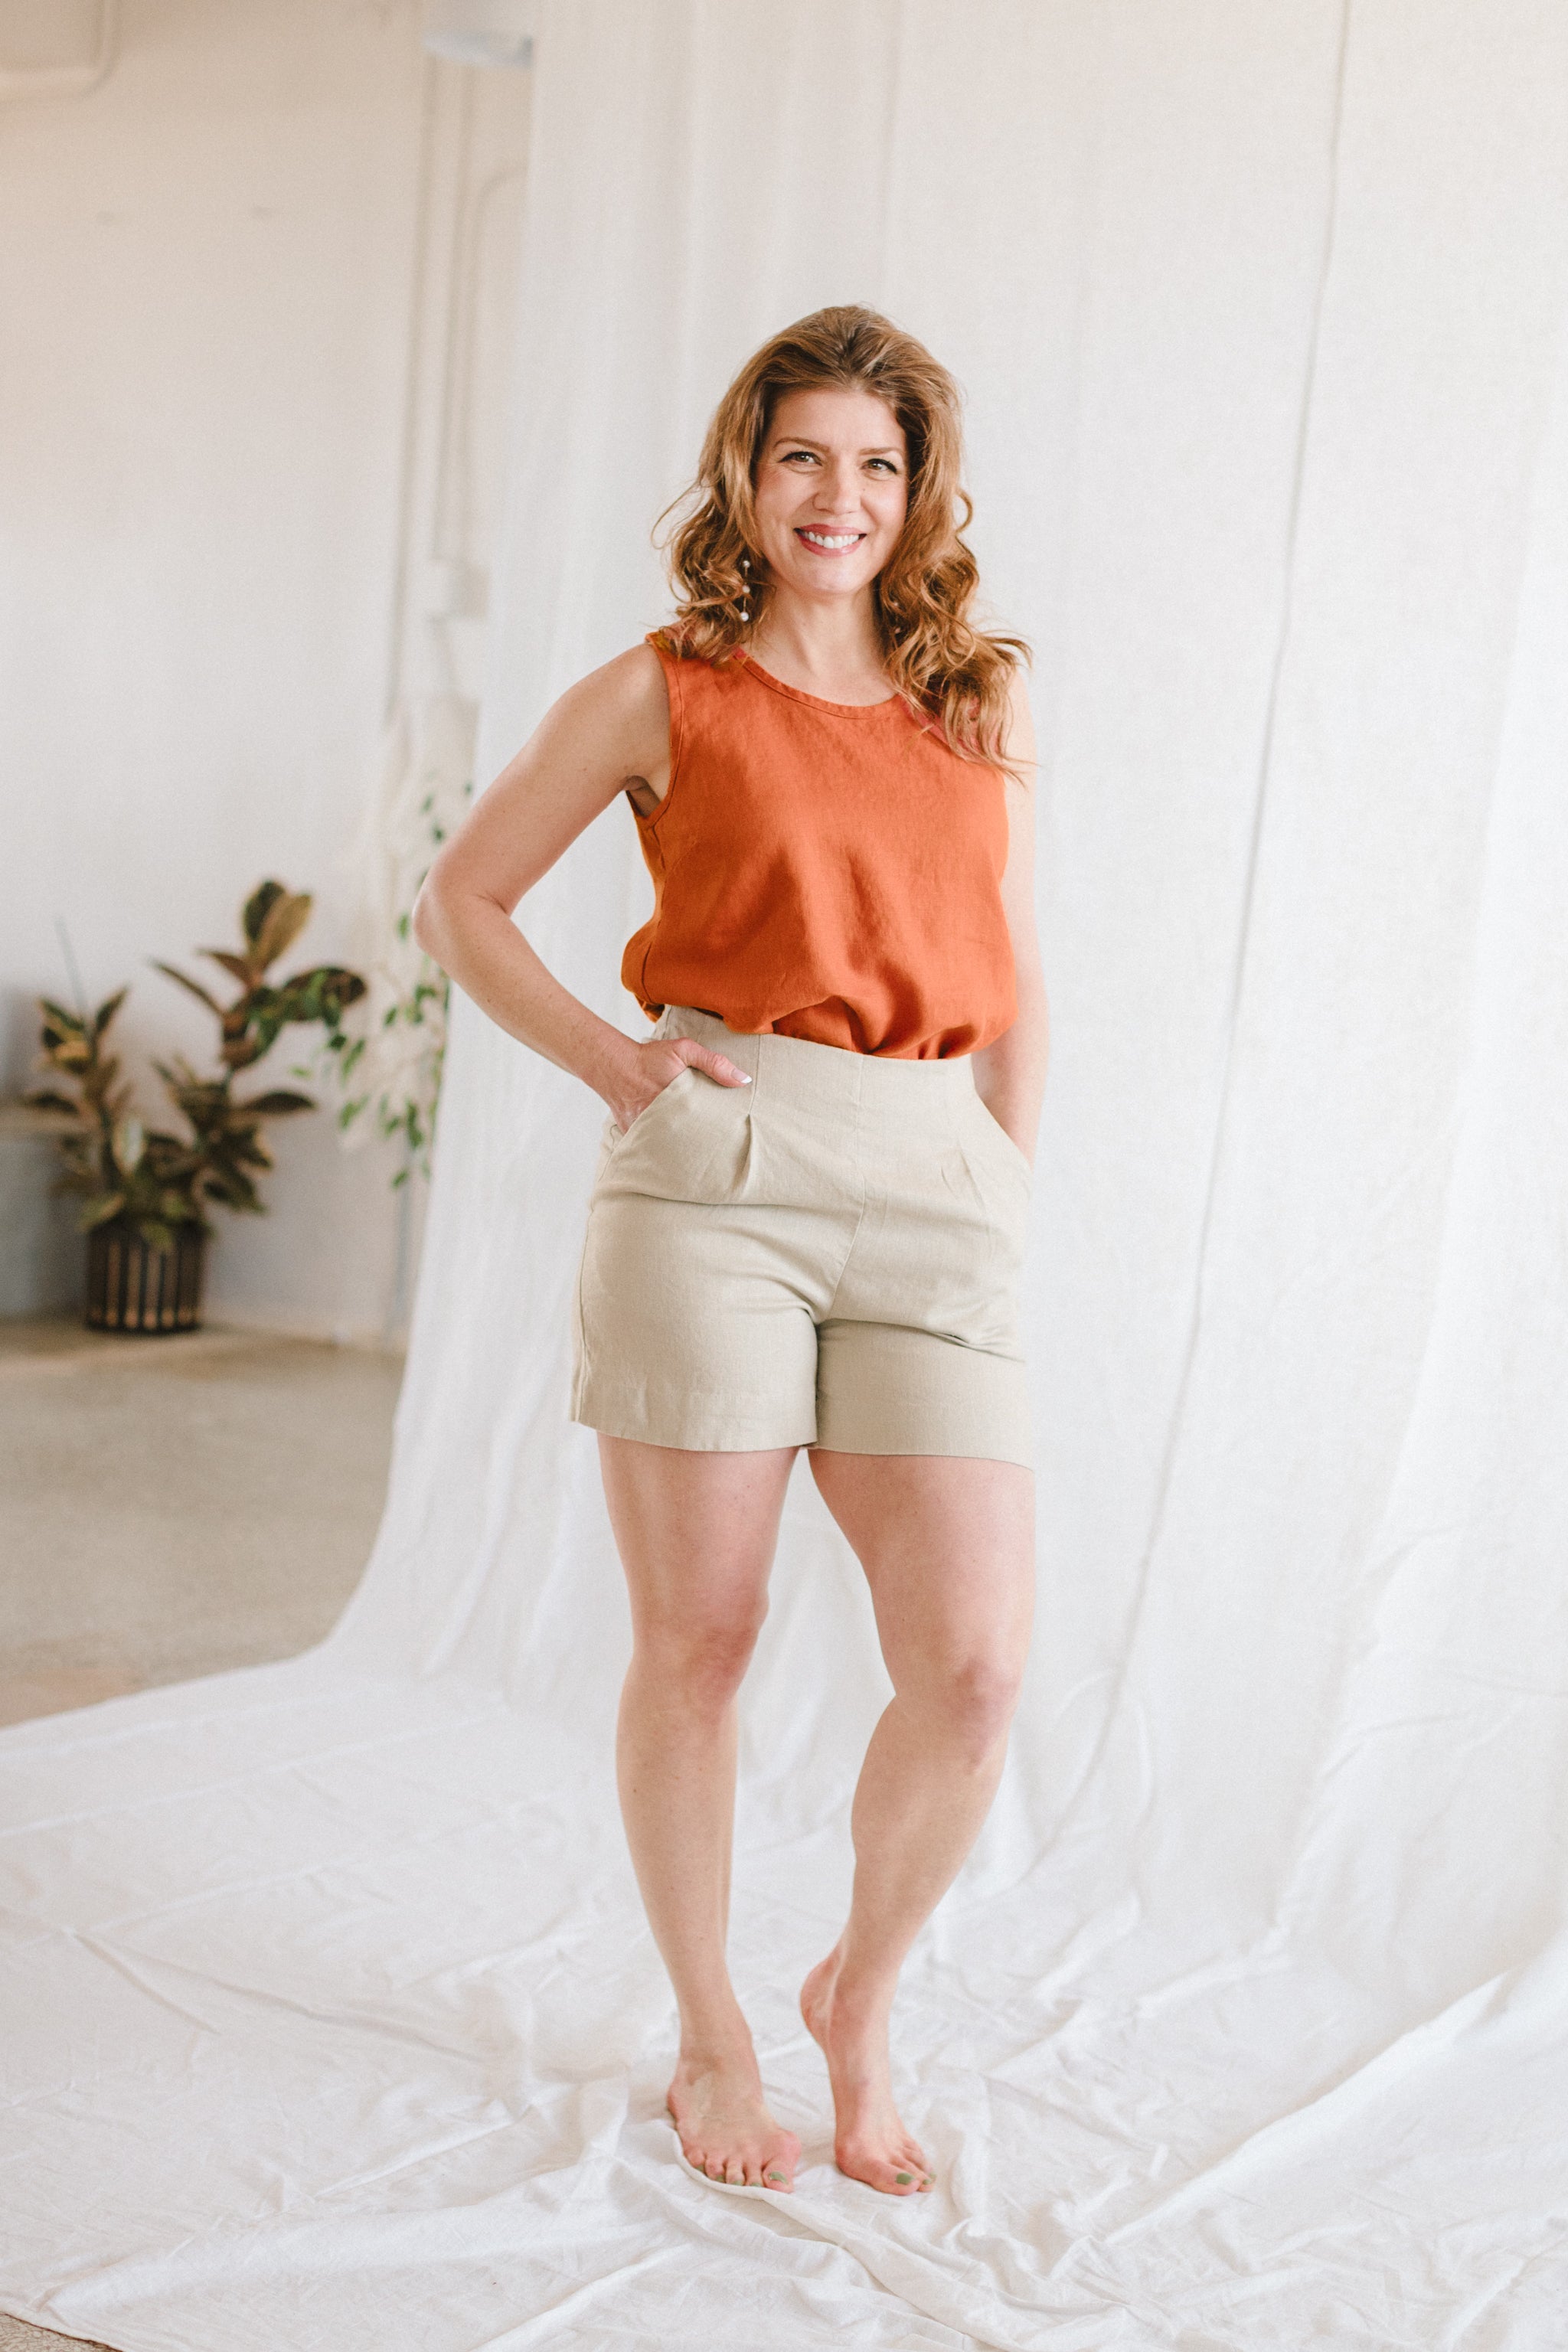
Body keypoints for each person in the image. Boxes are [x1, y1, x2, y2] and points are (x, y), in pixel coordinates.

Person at [413, 305, 1047, 2200]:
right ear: (746, 478)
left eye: (876, 465)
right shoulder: (663, 689)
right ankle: (710, 2036)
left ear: (916, 493)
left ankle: (857, 1993)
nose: (838, 497)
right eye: (802, 459)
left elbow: (1016, 968)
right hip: (719, 1189)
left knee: (974, 1668)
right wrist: (619, 1065)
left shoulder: (969, 700)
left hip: (934, 1182)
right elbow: (463, 897)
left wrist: (1004, 1176)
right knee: (700, 1639)